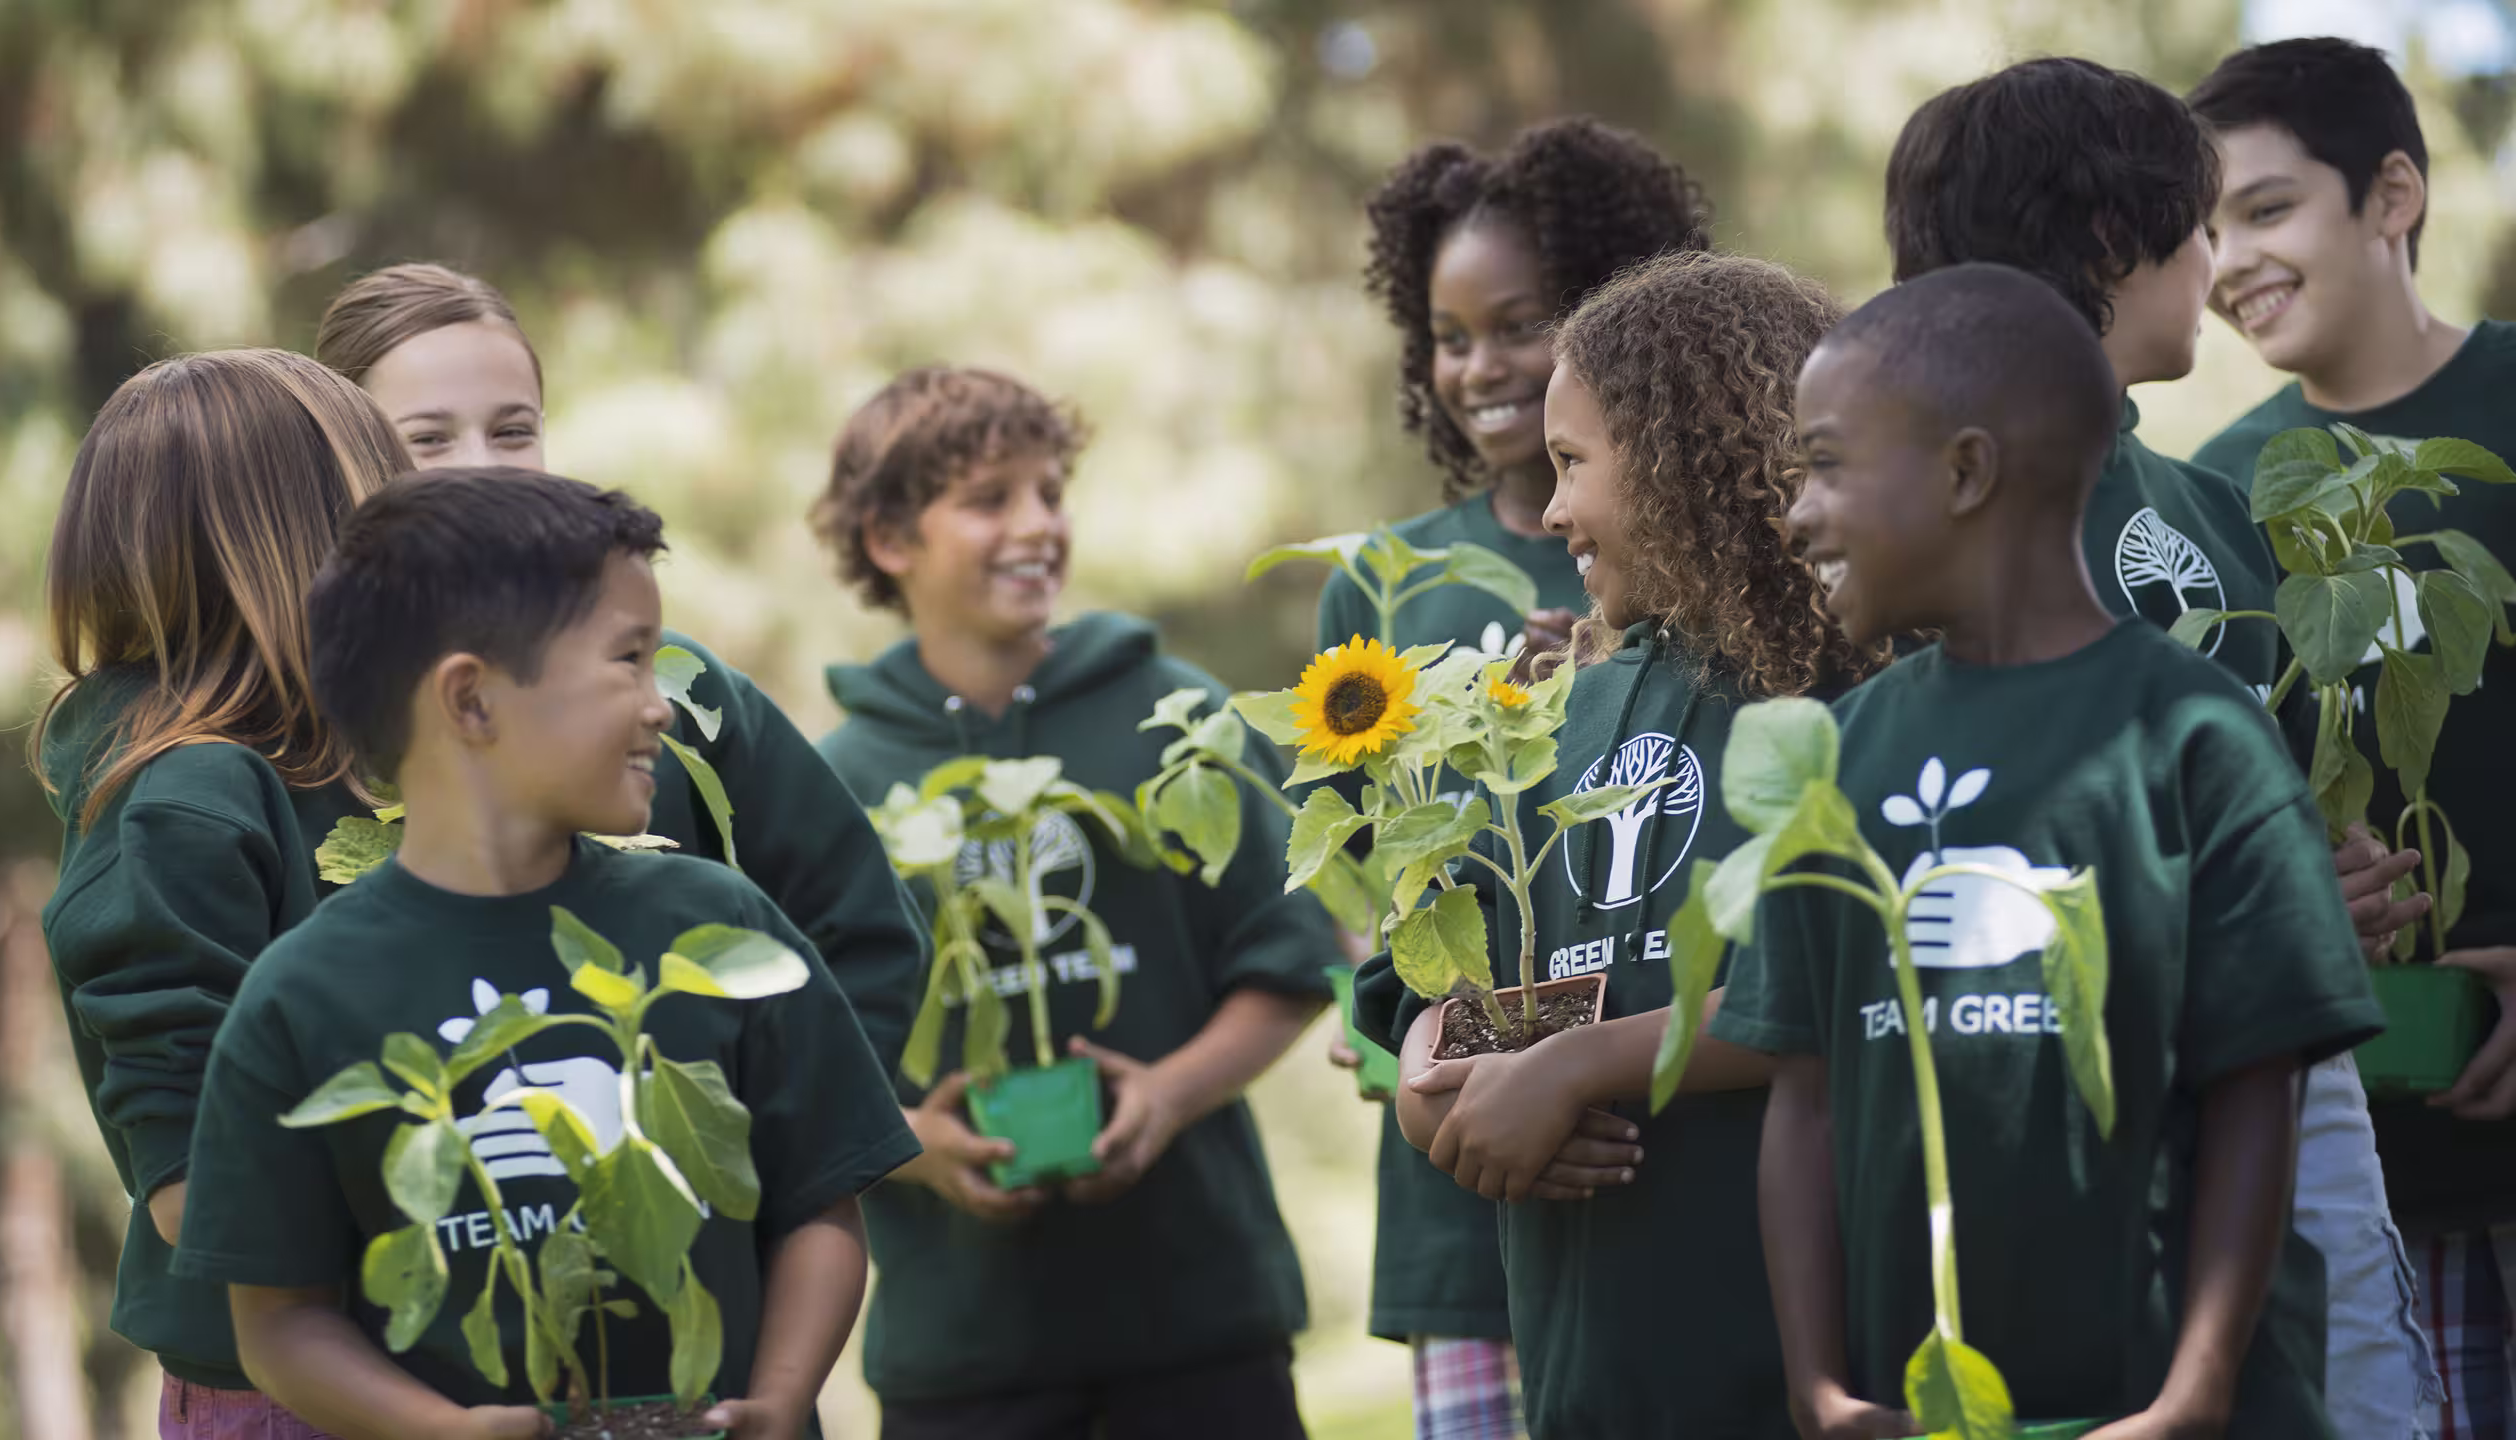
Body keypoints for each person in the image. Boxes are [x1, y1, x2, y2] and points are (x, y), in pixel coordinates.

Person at [1715, 263, 2385, 1437]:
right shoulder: (1833, 754)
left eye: (1825, 464)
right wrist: (1821, 1389)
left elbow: (2254, 1093)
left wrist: (2198, 1390)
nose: (1798, 512)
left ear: (1967, 471)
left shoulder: (2193, 739)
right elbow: (1803, 1100)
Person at [1888, 56, 2435, 1435]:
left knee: (2347, 1376)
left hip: (2274, 1074)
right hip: (2036, 1075)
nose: (2219, 261)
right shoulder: (1922, 518)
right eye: (2202, 227)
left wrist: (2328, 877)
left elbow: (2267, 810)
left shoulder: (2212, 507)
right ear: (2111, 246)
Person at [171, 469, 917, 1438]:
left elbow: (820, 1210)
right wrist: (449, 1430)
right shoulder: (298, 1000)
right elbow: (278, 1320)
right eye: (628, 661)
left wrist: (779, 1396)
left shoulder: (724, 924)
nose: (660, 706)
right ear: (472, 701)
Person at [1356, 250, 1883, 1437]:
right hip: (1588, 1370)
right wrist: (1445, 1069)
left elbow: (1840, 976)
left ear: (1680, 452)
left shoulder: (1848, 688)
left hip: (1796, 1364)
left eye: (1569, 464)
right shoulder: (1552, 714)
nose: (1548, 512)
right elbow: (1526, 987)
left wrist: (1581, 1066)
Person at [809, 366, 1337, 1439]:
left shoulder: (1166, 708)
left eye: (1051, 492)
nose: (1038, 524)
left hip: (1201, 1320)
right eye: (990, 498)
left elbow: (1289, 952)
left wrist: (1171, 1093)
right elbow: (793, 1054)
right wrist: (912, 1142)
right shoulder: (835, 779)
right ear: (888, 539)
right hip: (961, 1355)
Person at [1337, 116, 1712, 1435]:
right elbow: (1380, 897)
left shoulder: (1708, 604)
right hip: (1470, 1174)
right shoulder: (1383, 588)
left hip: (1670, 1163)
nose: (1481, 366)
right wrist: (1443, 1054)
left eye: (1520, 324)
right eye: (1450, 334)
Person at [313, 263, 924, 1072]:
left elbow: (867, 931)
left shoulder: (681, 692)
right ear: (335, 457)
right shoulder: (302, 724)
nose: (483, 468)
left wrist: (792, 1152)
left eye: (513, 430)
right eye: (427, 439)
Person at [2191, 37, 2516, 1432]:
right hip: (2352, 1153)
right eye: (2204, 231)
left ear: (2392, 195)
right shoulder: (2217, 490)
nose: (2227, 263)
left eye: (2265, 210)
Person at [33, 349, 409, 1438]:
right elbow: (194, 1182)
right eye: (391, 516)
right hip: (296, 1392)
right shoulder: (189, 802)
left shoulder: (357, 773)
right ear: (312, 550)